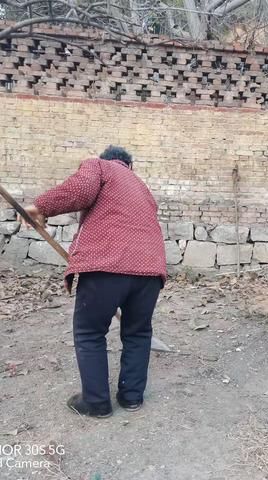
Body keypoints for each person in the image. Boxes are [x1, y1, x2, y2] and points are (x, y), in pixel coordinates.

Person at [20, 146, 166, 418]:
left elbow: (81, 189)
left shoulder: (100, 167)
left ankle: (96, 403)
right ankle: (132, 398)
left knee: (89, 332)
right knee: (138, 333)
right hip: (150, 269)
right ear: (129, 166)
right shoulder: (141, 186)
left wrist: (40, 206)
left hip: (107, 264)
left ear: (106, 160)